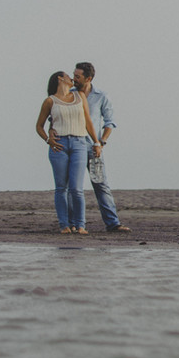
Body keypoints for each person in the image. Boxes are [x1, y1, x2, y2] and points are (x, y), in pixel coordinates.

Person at [52, 62, 131, 232]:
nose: (74, 78)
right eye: (73, 75)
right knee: (73, 187)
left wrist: (101, 142)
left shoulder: (101, 96)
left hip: (93, 147)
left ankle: (113, 223)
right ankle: (73, 223)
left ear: (88, 78)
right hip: (74, 145)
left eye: (78, 76)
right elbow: (56, 116)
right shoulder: (70, 94)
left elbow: (109, 122)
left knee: (101, 184)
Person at [36, 71, 102, 234]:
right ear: (60, 78)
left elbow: (87, 121)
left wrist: (96, 142)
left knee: (76, 188)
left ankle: (80, 225)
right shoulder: (50, 101)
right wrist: (47, 139)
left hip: (79, 143)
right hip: (59, 144)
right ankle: (64, 225)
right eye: (68, 76)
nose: (72, 79)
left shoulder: (80, 96)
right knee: (61, 187)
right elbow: (39, 126)